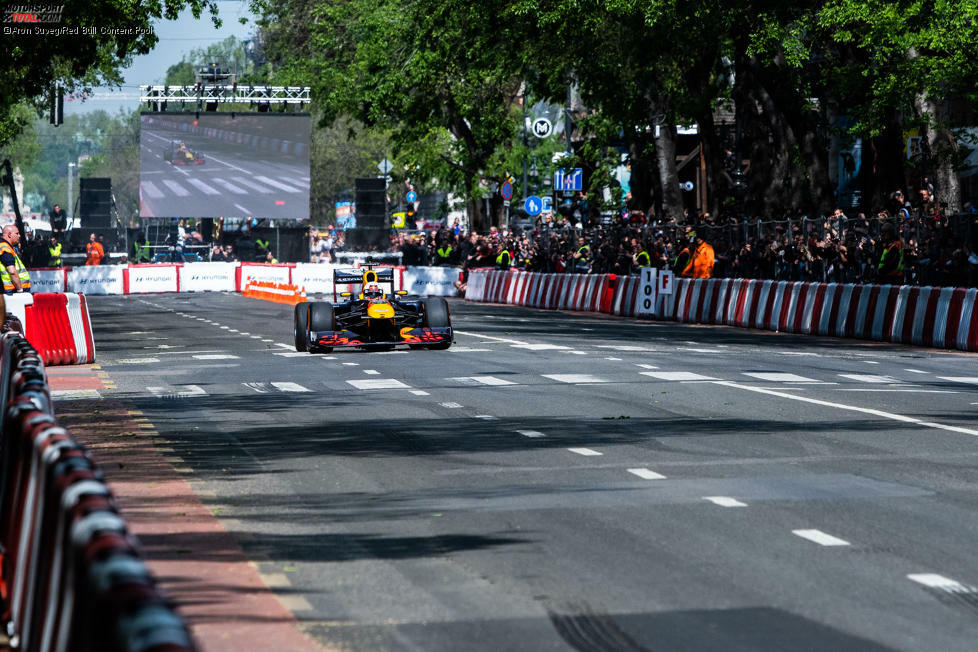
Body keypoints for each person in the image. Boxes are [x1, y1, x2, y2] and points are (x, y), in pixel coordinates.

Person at [0, 225, 31, 294]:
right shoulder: (4, 247)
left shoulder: (6, 246)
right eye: (17, 233)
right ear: (9, 235)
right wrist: (20, 289)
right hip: (13, 291)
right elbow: (12, 271)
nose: (19, 236)